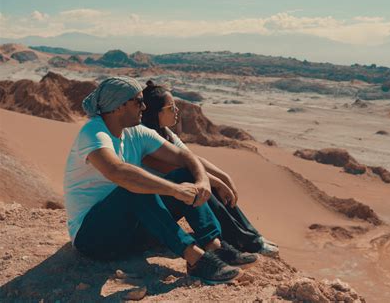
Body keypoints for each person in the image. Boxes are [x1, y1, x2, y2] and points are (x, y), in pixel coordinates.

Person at [64, 76, 258, 285]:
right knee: (133, 188)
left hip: (130, 234)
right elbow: (117, 171)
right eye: (138, 101)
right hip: (93, 238)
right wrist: (174, 190)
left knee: (184, 175)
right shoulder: (93, 132)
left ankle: (214, 246)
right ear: (120, 106)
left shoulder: (136, 132)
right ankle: (196, 260)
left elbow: (184, 157)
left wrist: (201, 181)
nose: (144, 106)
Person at [140, 80, 278, 256]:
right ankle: (244, 241)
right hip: (155, 212)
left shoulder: (165, 132)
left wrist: (223, 177)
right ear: (154, 112)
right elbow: (178, 168)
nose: (177, 111)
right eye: (171, 108)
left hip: (170, 199)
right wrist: (216, 183)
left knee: (208, 182)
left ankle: (251, 235)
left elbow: (192, 159)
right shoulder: (144, 137)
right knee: (196, 183)